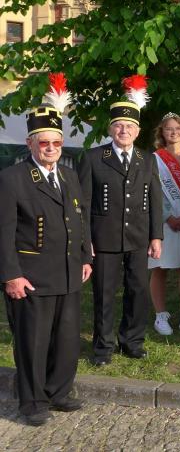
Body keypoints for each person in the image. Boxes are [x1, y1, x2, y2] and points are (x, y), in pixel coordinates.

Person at [0, 74, 92, 426]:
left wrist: (86, 256)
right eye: (44, 143)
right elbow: (3, 233)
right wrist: (11, 275)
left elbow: (79, 218)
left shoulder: (68, 176)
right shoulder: (13, 179)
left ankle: (59, 391)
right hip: (31, 278)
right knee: (33, 343)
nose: (51, 148)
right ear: (30, 143)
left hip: (68, 273)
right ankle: (32, 402)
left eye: (56, 142)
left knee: (66, 339)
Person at [79, 75, 162, 366]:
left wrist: (156, 236)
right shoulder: (93, 158)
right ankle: (103, 347)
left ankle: (132, 342)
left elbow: (155, 199)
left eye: (129, 126)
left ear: (137, 131)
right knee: (104, 295)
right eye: (118, 125)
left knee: (138, 291)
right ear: (110, 129)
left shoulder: (147, 159)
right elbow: (83, 204)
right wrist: (86, 240)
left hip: (138, 237)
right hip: (104, 239)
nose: (124, 130)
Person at [149, 113, 180, 336]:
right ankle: (160, 315)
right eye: (169, 128)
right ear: (162, 132)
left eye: (178, 128)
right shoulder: (154, 159)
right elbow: (151, 192)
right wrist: (168, 217)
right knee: (160, 268)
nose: (174, 132)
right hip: (164, 222)